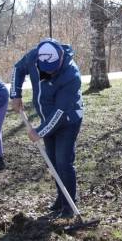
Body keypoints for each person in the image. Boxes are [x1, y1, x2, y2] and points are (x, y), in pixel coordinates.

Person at [10, 39, 84, 218]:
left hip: (68, 120)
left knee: (63, 162)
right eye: (45, 68)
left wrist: (39, 132)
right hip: (46, 117)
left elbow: (60, 112)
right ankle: (61, 200)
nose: (48, 72)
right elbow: (17, 69)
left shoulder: (71, 75)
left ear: (59, 59)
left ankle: (69, 206)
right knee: (52, 161)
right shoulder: (34, 57)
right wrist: (15, 94)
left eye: (52, 68)